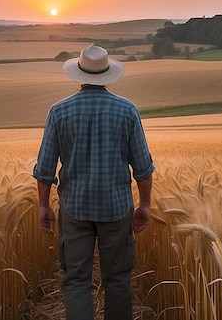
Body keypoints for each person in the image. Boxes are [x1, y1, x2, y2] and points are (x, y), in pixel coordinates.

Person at [33, 45, 155, 320]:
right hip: (117, 209)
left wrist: (43, 205)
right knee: (118, 279)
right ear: (108, 74)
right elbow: (143, 168)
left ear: (78, 74)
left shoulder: (59, 111)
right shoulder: (127, 110)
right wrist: (145, 205)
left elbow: (45, 168)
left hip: (75, 209)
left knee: (76, 280)